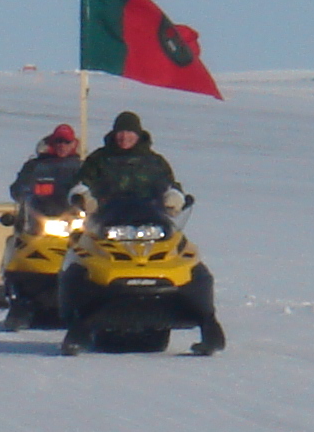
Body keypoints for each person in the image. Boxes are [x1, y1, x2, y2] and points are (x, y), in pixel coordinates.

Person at [63, 110, 225, 356]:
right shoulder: (99, 159)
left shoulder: (154, 162)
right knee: (82, 263)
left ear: (138, 134)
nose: (124, 137)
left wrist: (174, 198)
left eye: (129, 132)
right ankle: (78, 326)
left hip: (153, 223)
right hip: (106, 224)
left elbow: (170, 185)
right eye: (121, 132)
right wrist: (82, 196)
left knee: (190, 263)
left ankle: (207, 323)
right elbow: (81, 183)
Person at [8, 123, 83, 214]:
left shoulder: (80, 167)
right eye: (59, 141)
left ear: (74, 144)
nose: (62, 146)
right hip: (38, 214)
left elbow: (89, 188)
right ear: (52, 142)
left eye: (67, 142)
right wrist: (26, 195)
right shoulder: (35, 165)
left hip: (71, 214)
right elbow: (18, 187)